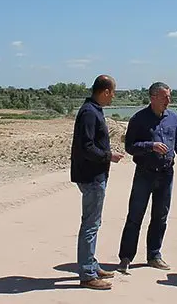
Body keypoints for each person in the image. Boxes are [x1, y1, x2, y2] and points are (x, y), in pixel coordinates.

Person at [116, 82, 177, 273]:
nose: (169, 100)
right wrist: (150, 146)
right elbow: (129, 147)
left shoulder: (173, 119)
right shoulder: (139, 119)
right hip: (144, 173)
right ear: (153, 98)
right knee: (135, 215)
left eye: (169, 96)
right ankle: (126, 258)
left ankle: (154, 255)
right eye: (165, 97)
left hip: (166, 174)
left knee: (160, 216)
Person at [71, 75, 125, 290]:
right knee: (90, 225)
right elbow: (87, 147)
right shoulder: (89, 113)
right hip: (91, 177)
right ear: (104, 91)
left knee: (93, 222)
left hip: (94, 175)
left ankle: (91, 264)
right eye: (112, 92)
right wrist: (108, 156)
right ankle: (87, 274)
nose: (113, 97)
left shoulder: (92, 110)